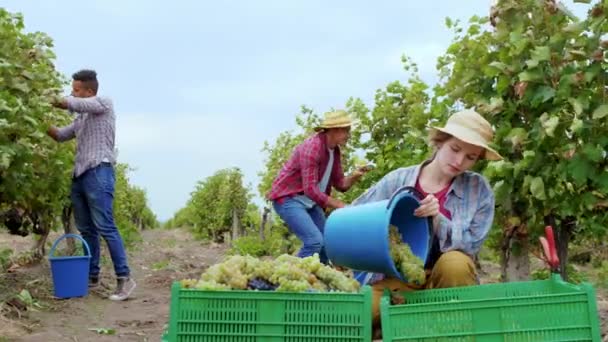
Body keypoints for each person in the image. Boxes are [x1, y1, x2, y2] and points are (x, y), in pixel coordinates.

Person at [351, 109, 502, 332]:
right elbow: (357, 214)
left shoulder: (478, 190)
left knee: (455, 263)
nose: (459, 161)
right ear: (440, 142)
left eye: (470, 157)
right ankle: (401, 324)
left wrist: (438, 219)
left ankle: (451, 330)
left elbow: (471, 244)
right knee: (356, 316)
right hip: (400, 279)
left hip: (449, 282)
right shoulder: (398, 180)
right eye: (455, 149)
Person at [47, 69, 136, 301]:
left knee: (106, 226)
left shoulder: (104, 103)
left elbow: (71, 104)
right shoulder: (81, 118)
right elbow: (60, 135)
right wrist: (38, 119)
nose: (72, 93)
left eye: (76, 90)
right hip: (80, 175)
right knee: (87, 229)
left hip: (99, 171)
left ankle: (124, 279)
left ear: (89, 91)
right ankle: (92, 277)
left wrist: (43, 96)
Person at [267, 109, 370, 264]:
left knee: (326, 245)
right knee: (314, 241)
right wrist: (340, 205)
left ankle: (323, 285)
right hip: (289, 199)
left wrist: (355, 176)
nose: (349, 135)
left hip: (310, 201)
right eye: (346, 130)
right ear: (334, 130)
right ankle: (287, 280)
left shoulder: (334, 151)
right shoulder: (313, 148)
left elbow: (341, 184)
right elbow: (310, 189)